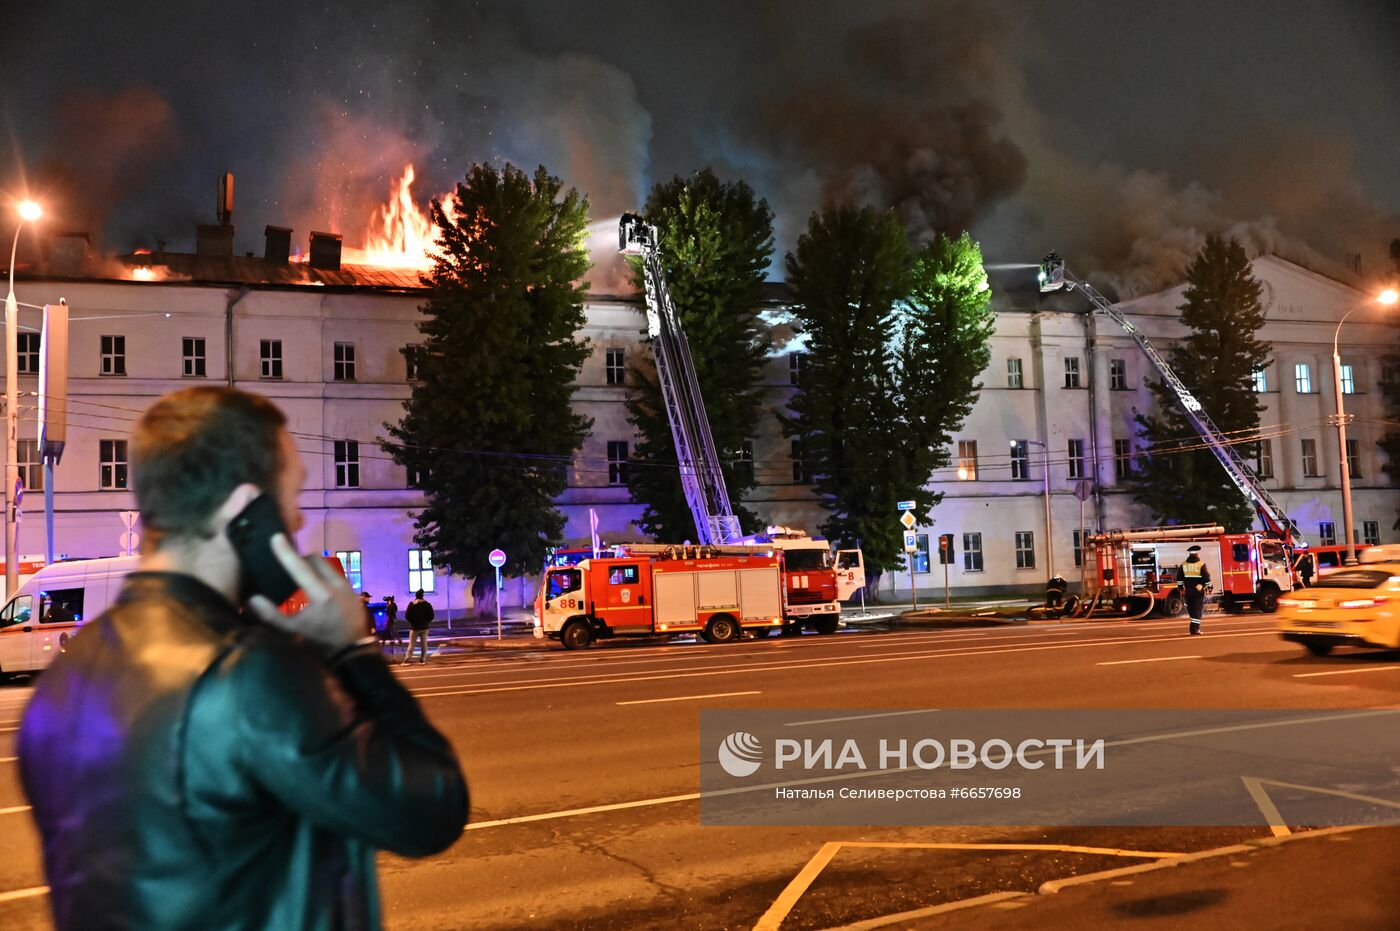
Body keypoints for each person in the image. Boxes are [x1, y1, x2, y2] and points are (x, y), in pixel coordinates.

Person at [17, 386, 468, 931]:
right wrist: (353, 650)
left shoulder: (60, 684)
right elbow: (432, 809)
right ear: (246, 511)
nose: (298, 522)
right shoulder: (246, 672)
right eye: (291, 496)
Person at [1175, 544, 1212, 636]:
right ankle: (1195, 629)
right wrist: (1209, 588)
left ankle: (1194, 628)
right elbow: (1206, 578)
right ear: (1197, 554)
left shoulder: (1183, 565)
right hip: (1198, 591)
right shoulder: (1201, 564)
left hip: (1188, 591)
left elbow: (1179, 578)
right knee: (1197, 610)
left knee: (1192, 610)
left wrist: (1181, 589)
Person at [404, 589, 435, 664]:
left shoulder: (411, 605)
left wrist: (412, 622)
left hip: (414, 628)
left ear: (416, 596)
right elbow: (431, 616)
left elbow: (407, 616)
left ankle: (407, 659)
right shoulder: (427, 604)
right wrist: (426, 621)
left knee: (411, 645)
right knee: (424, 644)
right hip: (424, 627)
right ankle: (423, 658)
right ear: (422, 596)